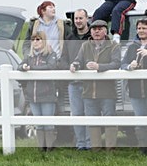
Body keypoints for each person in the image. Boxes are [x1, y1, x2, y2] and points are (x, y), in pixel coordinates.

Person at [70, 19, 121, 151]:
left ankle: (110, 149)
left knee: (110, 120)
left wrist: (99, 67)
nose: (96, 31)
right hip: (88, 91)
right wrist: (74, 65)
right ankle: (95, 149)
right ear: (90, 31)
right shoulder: (85, 46)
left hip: (107, 91)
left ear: (105, 31)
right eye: (94, 29)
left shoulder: (114, 45)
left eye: (100, 28)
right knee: (92, 122)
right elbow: (78, 60)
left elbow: (116, 64)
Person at [18, 31, 59, 151]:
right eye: (33, 39)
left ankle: (50, 148)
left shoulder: (51, 54)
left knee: (48, 123)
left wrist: (32, 69)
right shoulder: (29, 56)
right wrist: (23, 67)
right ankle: (41, 148)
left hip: (47, 95)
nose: (35, 42)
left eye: (38, 39)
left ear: (44, 41)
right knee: (38, 123)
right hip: (33, 95)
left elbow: (51, 67)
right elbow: (19, 66)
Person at [65, 9, 92, 150]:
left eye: (81, 18)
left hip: (90, 82)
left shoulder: (93, 36)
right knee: (76, 113)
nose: (78, 21)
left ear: (87, 18)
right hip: (73, 82)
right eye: (76, 18)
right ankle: (80, 144)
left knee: (90, 112)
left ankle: (89, 143)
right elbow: (64, 58)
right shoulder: (69, 38)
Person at [121, 18, 147, 154]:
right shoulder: (132, 46)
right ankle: (143, 148)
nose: (141, 31)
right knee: (140, 120)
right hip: (136, 90)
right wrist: (129, 66)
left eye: (144, 28)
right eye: (139, 28)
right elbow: (122, 64)